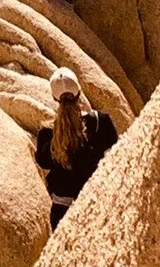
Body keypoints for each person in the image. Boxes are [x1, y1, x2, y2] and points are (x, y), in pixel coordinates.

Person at [34, 67, 118, 229]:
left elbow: (43, 162)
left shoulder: (47, 133)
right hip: (95, 205)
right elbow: (116, 157)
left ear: (54, 97)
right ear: (79, 92)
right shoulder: (101, 122)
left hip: (62, 212)